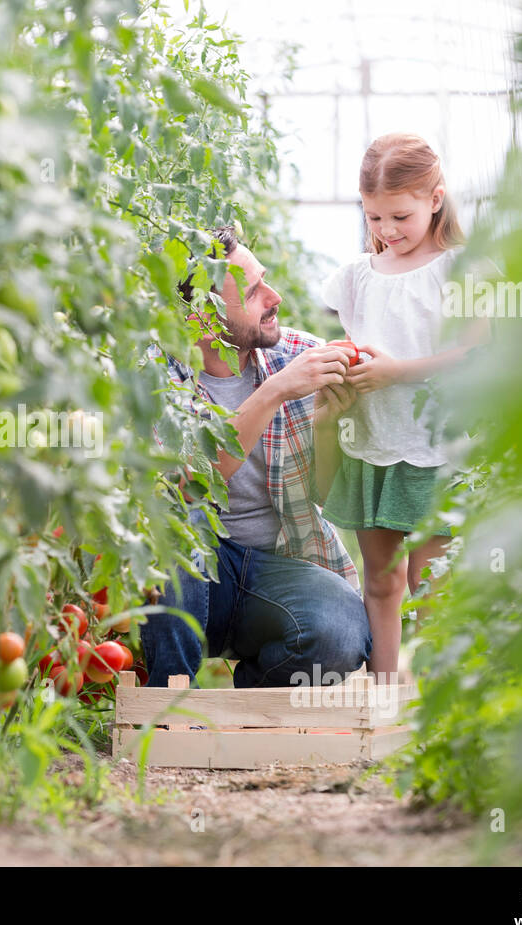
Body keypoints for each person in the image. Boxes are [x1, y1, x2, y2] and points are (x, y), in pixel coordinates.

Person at [139, 225, 370, 689]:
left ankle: (246, 703)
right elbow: (192, 484)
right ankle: (170, 705)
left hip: (275, 569)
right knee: (178, 522)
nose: (274, 295)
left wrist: (327, 424)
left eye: (263, 279)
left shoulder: (299, 356)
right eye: (253, 291)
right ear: (200, 319)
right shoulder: (151, 377)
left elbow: (325, 494)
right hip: (187, 579)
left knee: (342, 633)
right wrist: (274, 392)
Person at [320, 133, 491, 682]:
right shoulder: (357, 278)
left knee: (431, 579)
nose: (386, 231)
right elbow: (356, 346)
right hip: (374, 444)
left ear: (435, 199)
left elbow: (472, 352)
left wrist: (397, 371)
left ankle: (441, 693)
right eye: (373, 218)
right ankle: (384, 693)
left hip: (433, 446)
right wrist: (350, 368)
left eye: (399, 216)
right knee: (381, 579)